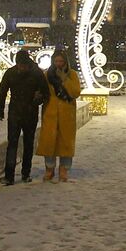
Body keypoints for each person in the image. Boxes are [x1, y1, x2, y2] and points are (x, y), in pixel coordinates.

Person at [0, 49, 49, 184]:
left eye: (23, 65)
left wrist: (37, 100)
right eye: (19, 65)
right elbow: (2, 91)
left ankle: (26, 173)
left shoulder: (36, 73)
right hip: (15, 112)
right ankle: (9, 176)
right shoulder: (11, 73)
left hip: (30, 113)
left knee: (28, 144)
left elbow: (45, 92)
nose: (21, 67)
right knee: (12, 144)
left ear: (28, 63)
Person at [36, 50, 82, 182]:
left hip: (67, 112)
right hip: (50, 112)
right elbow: (43, 91)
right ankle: (49, 169)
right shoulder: (47, 75)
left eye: (61, 61)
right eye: (56, 61)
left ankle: (64, 169)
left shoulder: (72, 74)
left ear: (65, 61)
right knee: (49, 142)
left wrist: (65, 80)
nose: (59, 64)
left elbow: (75, 92)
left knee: (65, 142)